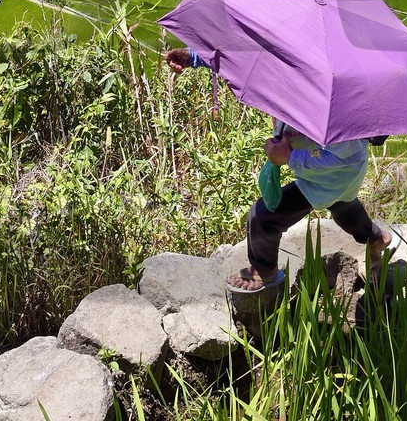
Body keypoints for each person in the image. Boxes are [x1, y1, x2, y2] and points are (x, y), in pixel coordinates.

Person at [166, 47, 392, 292]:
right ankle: (376, 238)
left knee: (263, 217)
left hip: (334, 175)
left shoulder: (338, 109)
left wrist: (290, 157)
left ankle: (264, 270)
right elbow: (242, 60)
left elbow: (346, 157)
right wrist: (196, 58)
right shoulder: (288, 75)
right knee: (343, 207)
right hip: (334, 175)